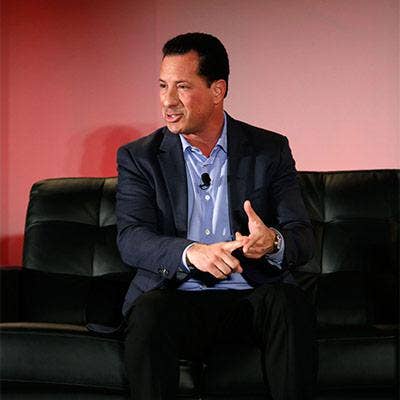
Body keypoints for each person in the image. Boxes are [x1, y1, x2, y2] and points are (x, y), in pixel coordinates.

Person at [116, 32, 316, 400]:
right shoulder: (139, 157)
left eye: (182, 87)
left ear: (217, 90)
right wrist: (190, 252)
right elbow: (131, 239)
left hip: (251, 297)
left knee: (289, 303)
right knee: (149, 314)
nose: (167, 101)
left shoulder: (269, 150)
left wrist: (272, 242)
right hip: (175, 297)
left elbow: (302, 237)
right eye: (162, 86)